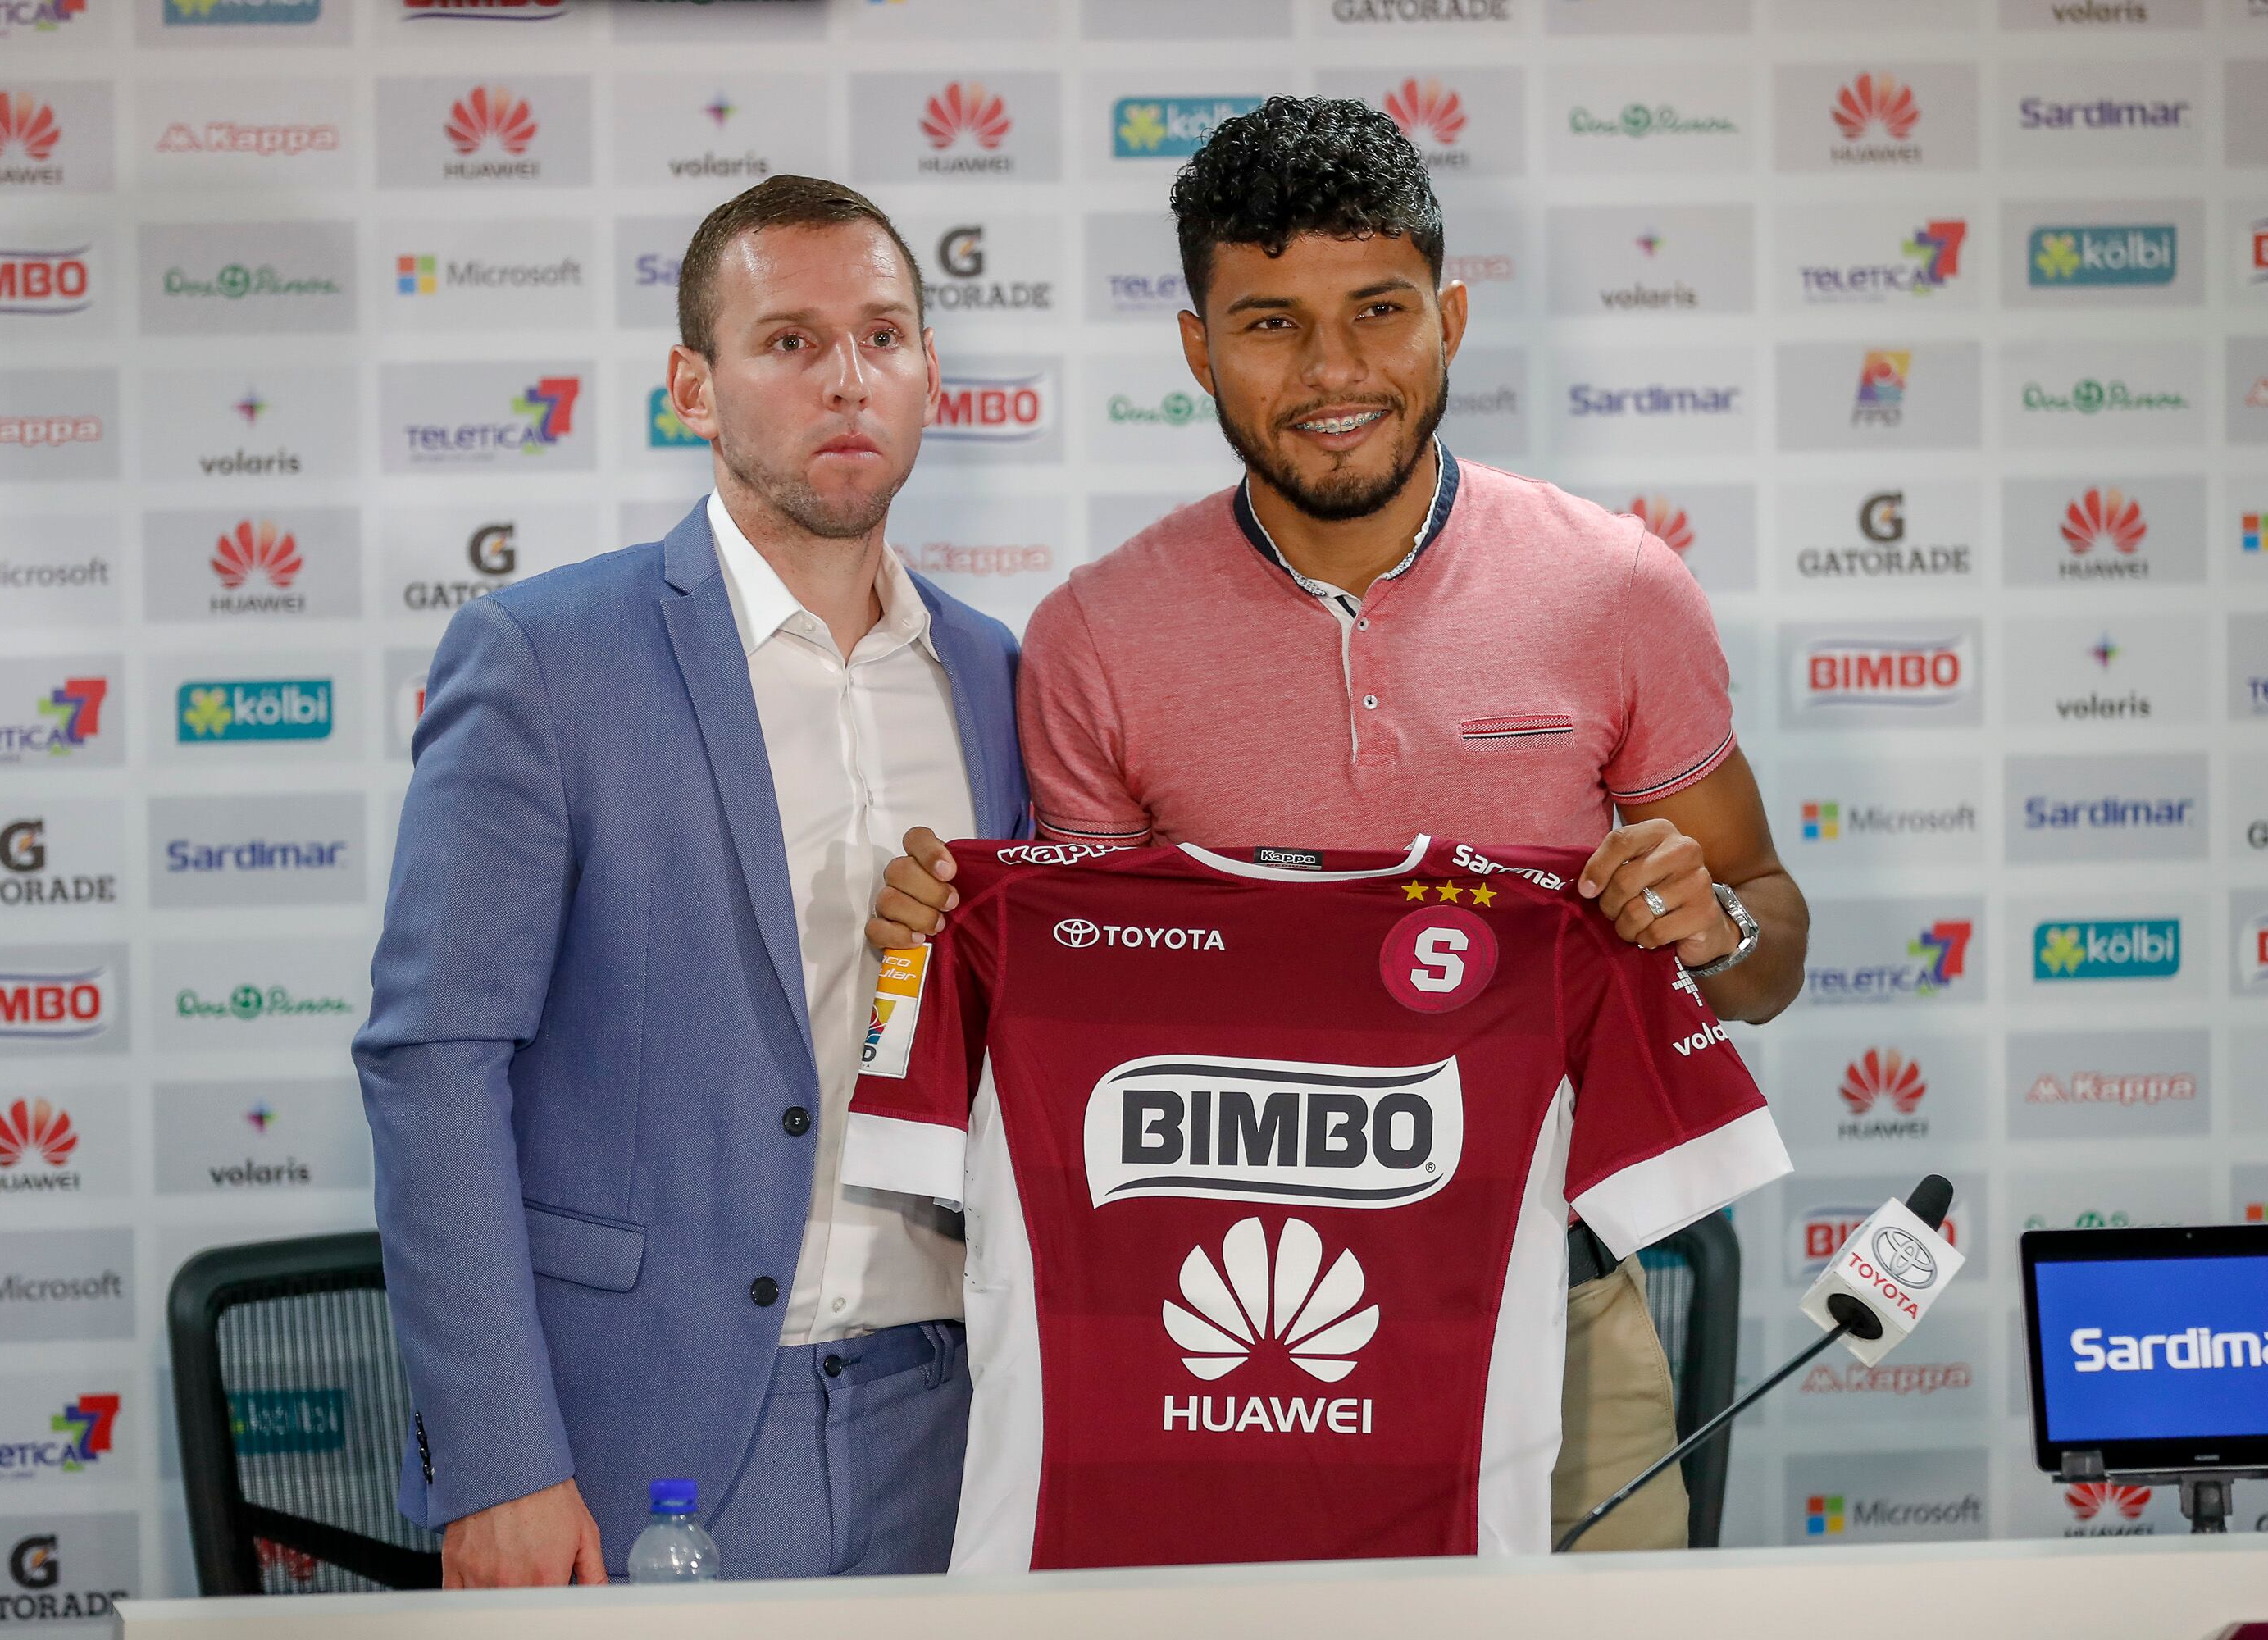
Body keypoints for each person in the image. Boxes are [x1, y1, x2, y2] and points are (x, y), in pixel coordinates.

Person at [867, 98, 1808, 1554]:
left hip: (1557, 1324)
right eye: (1270, 324)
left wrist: (1714, 924)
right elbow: (1088, 1004)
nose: (1332, 371)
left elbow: (1768, 940)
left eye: (1378, 309)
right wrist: (927, 948)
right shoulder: (1096, 635)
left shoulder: (1618, 589)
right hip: (1216, 1357)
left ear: (1451, 317)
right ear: (1199, 349)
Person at [355, 175, 1026, 1586]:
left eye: (883, 337)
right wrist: (498, 1457)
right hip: (646, 1431)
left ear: (928, 372)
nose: (846, 378)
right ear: (694, 389)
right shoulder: (545, 659)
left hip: (958, 1416)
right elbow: (435, 1061)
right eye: (789, 341)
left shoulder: (997, 675)